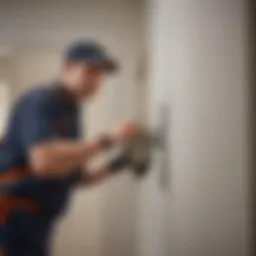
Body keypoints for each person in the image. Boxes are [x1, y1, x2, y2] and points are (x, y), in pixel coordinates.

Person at [0, 40, 142, 255]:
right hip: (12, 219)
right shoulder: (40, 100)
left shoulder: (71, 112)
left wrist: (121, 162)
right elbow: (44, 161)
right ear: (67, 68)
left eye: (100, 74)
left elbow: (76, 178)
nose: (96, 81)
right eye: (90, 71)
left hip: (37, 223)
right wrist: (109, 139)